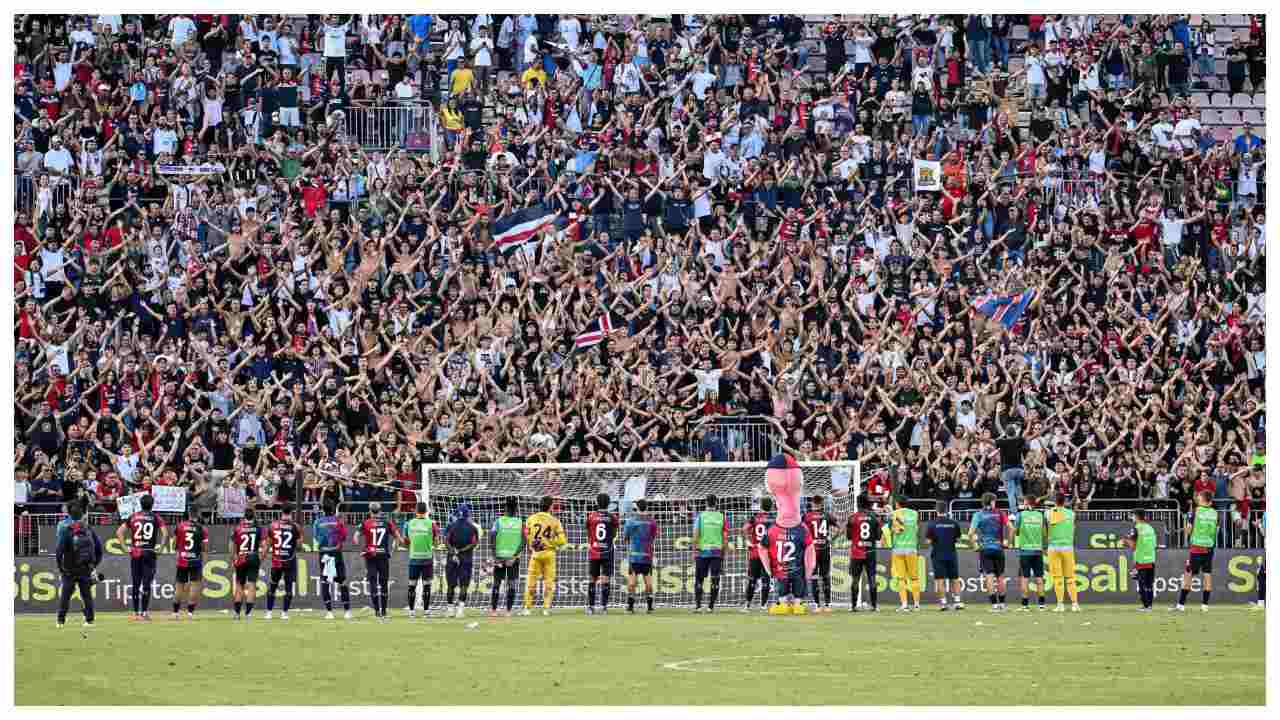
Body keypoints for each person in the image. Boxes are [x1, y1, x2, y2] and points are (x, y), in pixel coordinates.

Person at [115, 493, 168, 621]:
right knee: (146, 584)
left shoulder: (133, 516)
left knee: (135, 583)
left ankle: (135, 613)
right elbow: (165, 534)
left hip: (136, 552)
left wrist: (123, 547)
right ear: (152, 505)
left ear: (140, 504)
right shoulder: (156, 517)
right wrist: (160, 548)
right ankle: (144, 613)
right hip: (149, 552)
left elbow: (119, 532)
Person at [56, 499, 102, 628]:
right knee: (86, 595)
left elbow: (59, 551)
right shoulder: (88, 529)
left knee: (65, 595)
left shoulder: (65, 529)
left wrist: (61, 568)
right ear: (82, 515)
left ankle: (60, 621)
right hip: (85, 568)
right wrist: (93, 565)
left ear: (69, 515)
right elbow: (99, 549)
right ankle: (89, 620)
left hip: (69, 568)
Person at [761, 504, 814, 615]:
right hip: (798, 570)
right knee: (798, 602)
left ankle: (783, 605)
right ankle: (797, 606)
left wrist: (768, 568)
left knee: (782, 599)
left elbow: (762, 547)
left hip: (780, 571)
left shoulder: (772, 529)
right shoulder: (802, 528)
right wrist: (809, 570)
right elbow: (810, 548)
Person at [358, 502, 404, 622]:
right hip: (383, 556)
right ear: (380, 510)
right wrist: (395, 546)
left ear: (370, 510)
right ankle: (384, 611)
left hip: (371, 556)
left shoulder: (366, 523)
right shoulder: (387, 522)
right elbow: (399, 538)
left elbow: (355, 537)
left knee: (373, 583)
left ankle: (377, 611)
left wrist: (363, 548)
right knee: (383, 584)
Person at [1174, 491, 1218, 612]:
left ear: (1203, 498)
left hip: (1197, 547)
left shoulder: (1195, 511)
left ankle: (1181, 605)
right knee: (1207, 575)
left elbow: (1188, 531)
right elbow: (1214, 530)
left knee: (1188, 574)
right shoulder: (1215, 513)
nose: (1197, 497)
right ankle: (1205, 606)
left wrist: (1187, 525)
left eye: (1199, 496)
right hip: (1209, 547)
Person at [522, 495, 567, 616]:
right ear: (551, 506)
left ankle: (527, 608)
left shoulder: (530, 519)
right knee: (549, 581)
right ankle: (546, 608)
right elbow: (562, 540)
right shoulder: (555, 521)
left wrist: (532, 544)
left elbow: (526, 533)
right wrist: (549, 542)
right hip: (549, 554)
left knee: (531, 581)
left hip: (535, 553)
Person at [313, 497, 353, 620]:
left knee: (325, 582)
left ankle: (329, 612)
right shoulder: (338, 522)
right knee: (342, 581)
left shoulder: (317, 522)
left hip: (324, 554)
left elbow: (316, 538)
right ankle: (347, 611)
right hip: (336, 553)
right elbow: (344, 536)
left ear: (323, 510)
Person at [846, 494, 887, 612]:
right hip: (870, 552)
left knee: (855, 580)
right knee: (872, 578)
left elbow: (848, 536)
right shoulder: (874, 517)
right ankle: (874, 606)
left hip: (856, 553)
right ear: (868, 503)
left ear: (858, 503)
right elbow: (879, 537)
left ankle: (853, 606)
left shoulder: (852, 517)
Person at [969, 492, 1009, 612]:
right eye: (994, 501)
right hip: (998, 547)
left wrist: (975, 546)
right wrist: (1009, 542)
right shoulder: (1000, 513)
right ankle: (1002, 604)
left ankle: (994, 605)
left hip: (985, 548)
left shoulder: (978, 515)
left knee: (989, 576)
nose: (995, 503)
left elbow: (970, 533)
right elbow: (1011, 528)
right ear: (991, 501)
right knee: (1000, 576)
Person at [264, 503, 303, 620]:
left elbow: (268, 543)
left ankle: (269, 612)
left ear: (282, 511)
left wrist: (263, 555)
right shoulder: (296, 526)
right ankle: (284, 613)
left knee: (272, 586)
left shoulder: (273, 525)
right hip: (289, 560)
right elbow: (299, 546)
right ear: (291, 512)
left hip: (276, 560)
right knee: (289, 588)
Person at [691, 494, 730, 613]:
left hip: (702, 552)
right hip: (717, 552)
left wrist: (695, 550)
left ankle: (698, 606)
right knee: (715, 579)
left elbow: (696, 534)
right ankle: (711, 607)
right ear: (716, 503)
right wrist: (724, 553)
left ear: (706, 503)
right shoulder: (722, 517)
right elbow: (725, 537)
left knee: (699, 579)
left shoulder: (700, 516)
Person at [924, 500, 964, 611]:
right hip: (951, 554)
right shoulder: (954, 523)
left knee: (940, 580)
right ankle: (957, 602)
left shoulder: (932, 524)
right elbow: (959, 539)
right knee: (955, 579)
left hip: (938, 554)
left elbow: (927, 541)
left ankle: (943, 603)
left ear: (936, 510)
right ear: (946, 510)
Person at [802, 494, 838, 612]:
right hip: (824, 548)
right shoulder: (827, 516)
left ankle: (817, 606)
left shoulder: (806, 516)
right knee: (826, 576)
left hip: (812, 550)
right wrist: (832, 539)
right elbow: (840, 527)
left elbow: (800, 531)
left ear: (812, 503)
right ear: (822, 503)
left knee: (814, 577)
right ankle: (828, 605)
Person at [623, 498, 659, 614]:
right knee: (648, 583)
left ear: (637, 507)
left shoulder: (631, 521)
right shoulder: (652, 521)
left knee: (632, 583)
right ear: (646, 507)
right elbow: (653, 537)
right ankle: (649, 607)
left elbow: (625, 537)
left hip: (634, 556)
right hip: (647, 556)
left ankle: (630, 606)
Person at [1011, 495, 1047, 611]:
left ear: (1027, 503)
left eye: (1024, 502)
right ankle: (1042, 605)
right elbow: (1044, 533)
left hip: (1025, 551)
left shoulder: (1020, 515)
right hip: (1038, 550)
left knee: (1025, 578)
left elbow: (1015, 532)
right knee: (1039, 578)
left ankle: (1025, 605)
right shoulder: (1040, 515)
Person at [172, 508, 209, 620]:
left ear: (188, 514)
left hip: (182, 560)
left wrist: (178, 550)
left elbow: (174, 544)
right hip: (195, 560)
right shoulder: (202, 529)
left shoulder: (180, 526)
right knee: (194, 586)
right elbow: (205, 548)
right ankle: (190, 613)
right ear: (197, 515)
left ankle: (175, 612)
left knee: (179, 587)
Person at [1046, 492, 1081, 612]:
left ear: (1055, 501)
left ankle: (1060, 605)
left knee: (1057, 578)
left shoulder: (1049, 513)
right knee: (1070, 577)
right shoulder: (1072, 514)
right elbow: (1073, 527)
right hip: (1067, 547)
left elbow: (1047, 526)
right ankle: (1075, 604)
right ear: (1064, 501)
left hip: (1053, 548)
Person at [585, 492, 618, 614]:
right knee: (605, 579)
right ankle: (604, 607)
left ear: (596, 502)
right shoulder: (612, 517)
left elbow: (588, 532)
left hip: (594, 550)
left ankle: (591, 607)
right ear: (609, 504)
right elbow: (614, 533)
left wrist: (594, 541)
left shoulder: (591, 516)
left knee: (592, 579)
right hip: (607, 551)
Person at [490, 496, 524, 617]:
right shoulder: (520, 523)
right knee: (512, 584)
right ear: (516, 508)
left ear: (505, 507)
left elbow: (492, 537)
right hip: (513, 559)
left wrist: (495, 556)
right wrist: (514, 557)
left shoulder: (498, 521)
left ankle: (493, 611)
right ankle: (508, 611)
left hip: (499, 557)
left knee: (496, 583)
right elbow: (524, 542)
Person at [445, 502, 480, 618]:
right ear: (468, 514)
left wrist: (453, 551)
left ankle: (450, 609)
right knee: (464, 585)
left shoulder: (451, 526)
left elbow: (446, 541)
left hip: (452, 558)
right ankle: (460, 610)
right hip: (466, 558)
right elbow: (474, 543)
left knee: (450, 585)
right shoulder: (472, 527)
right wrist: (462, 550)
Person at [405, 501, 439, 620]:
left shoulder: (409, 524)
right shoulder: (432, 524)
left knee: (412, 585)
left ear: (415, 511)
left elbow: (406, 541)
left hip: (414, 558)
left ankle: (411, 612)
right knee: (427, 586)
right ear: (426, 511)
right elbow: (436, 541)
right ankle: (426, 611)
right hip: (427, 559)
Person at [230, 508, 265, 620]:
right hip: (253, 556)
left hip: (241, 557)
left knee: (239, 585)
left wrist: (233, 558)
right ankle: (248, 613)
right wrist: (261, 558)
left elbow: (232, 545)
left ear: (244, 516)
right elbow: (264, 545)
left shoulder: (238, 528)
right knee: (252, 585)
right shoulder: (258, 528)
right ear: (253, 516)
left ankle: (236, 613)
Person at [889, 495, 922, 612]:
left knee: (901, 578)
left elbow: (893, 530)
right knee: (914, 577)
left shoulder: (894, 514)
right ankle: (917, 605)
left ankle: (904, 605)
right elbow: (917, 529)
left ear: (897, 503)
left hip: (898, 549)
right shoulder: (915, 514)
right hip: (911, 548)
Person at [742, 497, 774, 612]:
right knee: (766, 579)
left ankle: (747, 605)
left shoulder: (755, 517)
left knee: (752, 580)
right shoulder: (772, 519)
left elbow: (744, 528)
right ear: (771, 506)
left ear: (761, 505)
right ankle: (763, 605)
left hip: (755, 553)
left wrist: (748, 541)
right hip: (767, 554)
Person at [1125, 508, 1159, 612]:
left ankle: (1145, 606)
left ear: (1136, 516)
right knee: (1149, 584)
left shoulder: (1136, 528)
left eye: (1133, 515)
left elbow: (1132, 545)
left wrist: (1125, 541)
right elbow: (1155, 545)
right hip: (1151, 559)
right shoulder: (1150, 528)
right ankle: (1149, 606)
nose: (1132, 517)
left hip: (1141, 560)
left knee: (1141, 584)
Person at [994, 418, 1028, 511]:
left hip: (1007, 471)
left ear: (1006, 433)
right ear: (1014, 433)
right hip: (1019, 470)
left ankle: (1014, 512)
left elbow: (995, 441)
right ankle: (1022, 507)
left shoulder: (1002, 441)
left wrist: (1003, 435)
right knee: (1018, 487)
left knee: (1010, 493)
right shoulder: (1019, 440)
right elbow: (1026, 434)